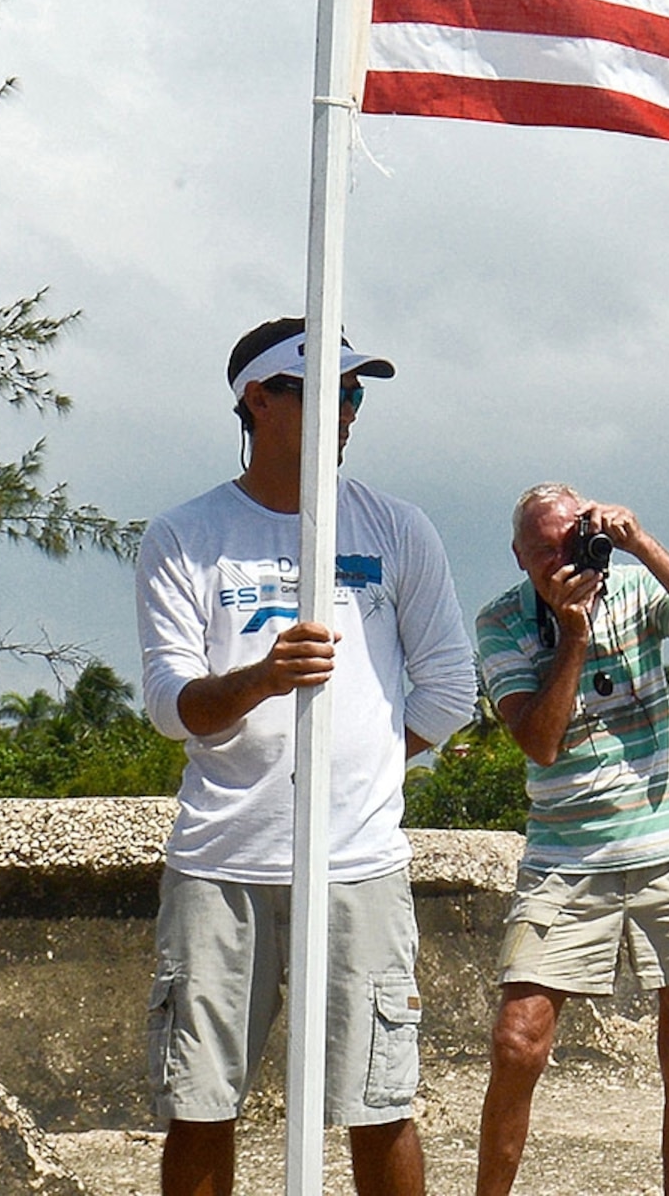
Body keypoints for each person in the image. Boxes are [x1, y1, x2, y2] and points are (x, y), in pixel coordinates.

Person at [134, 318, 476, 1196]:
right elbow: (174, 708)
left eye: (356, 392)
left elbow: (447, 694)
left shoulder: (398, 528)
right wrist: (261, 679)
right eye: (327, 388)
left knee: (380, 1100)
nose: (349, 408)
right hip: (222, 864)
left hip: (359, 866)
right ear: (259, 399)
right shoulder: (184, 536)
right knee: (202, 1103)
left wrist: (353, 773)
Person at [471, 484, 669, 1196]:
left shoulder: (633, 585)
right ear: (518, 558)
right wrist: (572, 637)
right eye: (543, 555)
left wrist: (642, 544)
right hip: (566, 858)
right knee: (518, 1041)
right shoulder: (503, 622)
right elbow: (538, 740)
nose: (562, 564)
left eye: (573, 544)